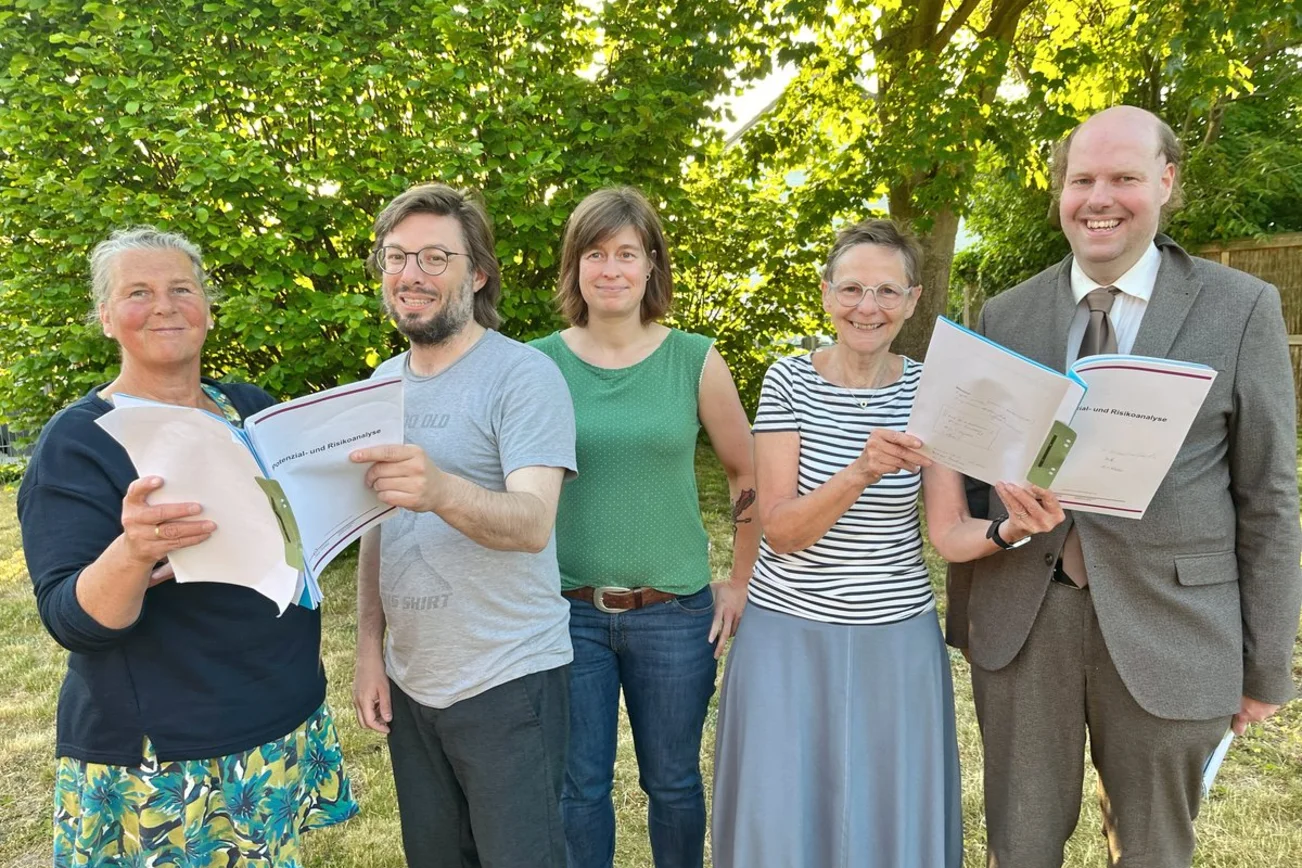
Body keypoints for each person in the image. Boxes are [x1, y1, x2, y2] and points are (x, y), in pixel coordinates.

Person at [945, 105, 1302, 867]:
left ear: (1167, 182)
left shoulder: (1240, 309)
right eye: (1082, 180)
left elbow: (1269, 495)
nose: (1098, 198)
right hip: (1024, 621)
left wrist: (1266, 664)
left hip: (1172, 626)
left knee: (1151, 851)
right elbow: (975, 474)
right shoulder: (1009, 312)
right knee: (1020, 843)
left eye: (1124, 178)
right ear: (1060, 192)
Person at [710, 218, 1064, 868]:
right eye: (850, 289)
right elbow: (782, 530)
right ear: (824, 293)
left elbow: (949, 533)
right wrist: (861, 471)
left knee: (887, 822)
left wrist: (1011, 529)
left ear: (913, 298)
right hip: (787, 635)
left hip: (895, 640)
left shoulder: (934, 390)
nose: (866, 307)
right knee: (783, 817)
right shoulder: (787, 380)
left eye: (885, 292)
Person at [17, 227, 357, 868]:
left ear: (207, 303)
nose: (166, 306)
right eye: (138, 292)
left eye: (182, 288)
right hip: (169, 749)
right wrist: (132, 550)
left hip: (274, 717)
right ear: (106, 316)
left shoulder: (250, 409)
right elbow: (72, 621)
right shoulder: (80, 441)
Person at [528, 186, 759, 868]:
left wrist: (740, 581)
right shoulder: (537, 365)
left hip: (675, 614)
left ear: (652, 266)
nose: (611, 269)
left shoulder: (695, 358)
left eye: (627, 253)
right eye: (595, 253)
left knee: (675, 784)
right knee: (579, 789)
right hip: (569, 612)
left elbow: (748, 475)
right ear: (574, 267)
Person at [349, 183, 577, 868]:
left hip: (508, 679)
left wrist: (440, 489)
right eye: (396, 257)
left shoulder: (524, 376)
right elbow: (373, 529)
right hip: (415, 683)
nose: (411, 274)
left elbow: (534, 523)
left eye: (434, 257)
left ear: (476, 275)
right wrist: (369, 650)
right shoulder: (379, 386)